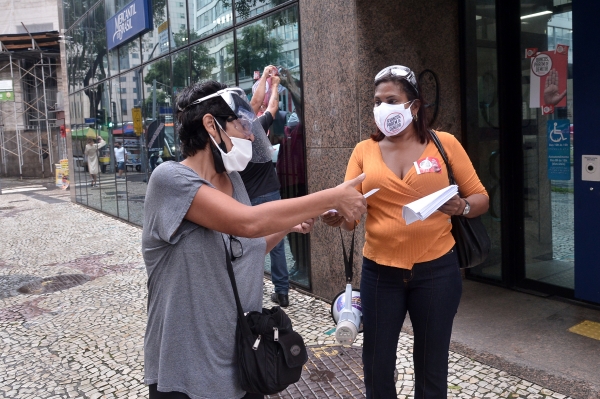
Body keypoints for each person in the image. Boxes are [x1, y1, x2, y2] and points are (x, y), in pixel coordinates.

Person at [142, 80, 367, 399]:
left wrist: (289, 224)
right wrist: (330, 196)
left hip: (242, 365)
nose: (251, 134)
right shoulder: (169, 180)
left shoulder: (233, 180)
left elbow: (249, 247)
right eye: (242, 124)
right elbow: (247, 223)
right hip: (187, 372)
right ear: (211, 124)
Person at [322, 65, 489, 399]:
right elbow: (350, 215)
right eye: (377, 101)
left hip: (438, 271)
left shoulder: (445, 144)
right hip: (380, 273)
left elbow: (480, 197)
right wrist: (338, 216)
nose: (383, 107)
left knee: (432, 364)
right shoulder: (362, 151)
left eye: (391, 99)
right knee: (377, 363)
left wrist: (463, 207)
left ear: (413, 106)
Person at [240, 66, 291, 307]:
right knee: (277, 244)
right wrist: (273, 85)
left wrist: (267, 81)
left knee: (252, 245)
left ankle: (251, 289)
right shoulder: (257, 127)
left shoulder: (234, 136)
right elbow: (270, 106)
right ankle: (282, 291)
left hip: (248, 198)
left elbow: (257, 104)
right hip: (270, 191)